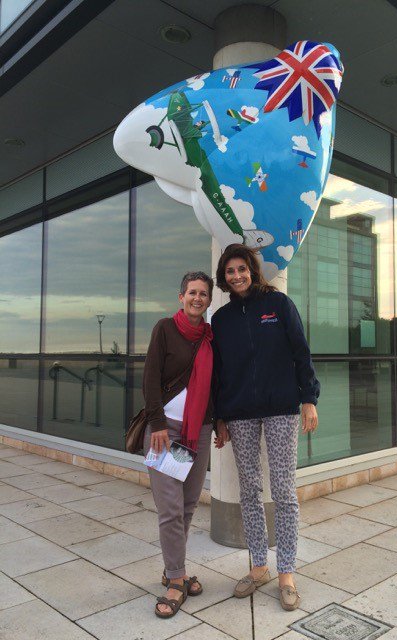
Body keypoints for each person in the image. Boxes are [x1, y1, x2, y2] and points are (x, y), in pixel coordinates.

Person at [212, 244, 319, 611]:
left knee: (284, 491)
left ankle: (286, 572)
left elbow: (301, 352)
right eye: (230, 271)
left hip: (281, 409)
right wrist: (219, 416)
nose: (237, 276)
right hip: (239, 412)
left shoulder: (278, 304)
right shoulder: (221, 319)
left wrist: (309, 398)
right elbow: (219, 372)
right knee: (250, 492)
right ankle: (259, 566)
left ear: (252, 270)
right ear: (224, 278)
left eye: (241, 268)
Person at [143, 271, 214, 619]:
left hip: (198, 431)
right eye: (192, 292)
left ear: (209, 300)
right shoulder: (165, 329)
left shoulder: (210, 338)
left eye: (203, 294)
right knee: (170, 508)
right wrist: (157, 423)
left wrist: (220, 423)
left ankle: (175, 569)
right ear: (181, 297)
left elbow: (215, 386)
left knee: (187, 506)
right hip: (166, 432)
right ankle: (175, 581)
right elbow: (150, 378)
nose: (197, 298)